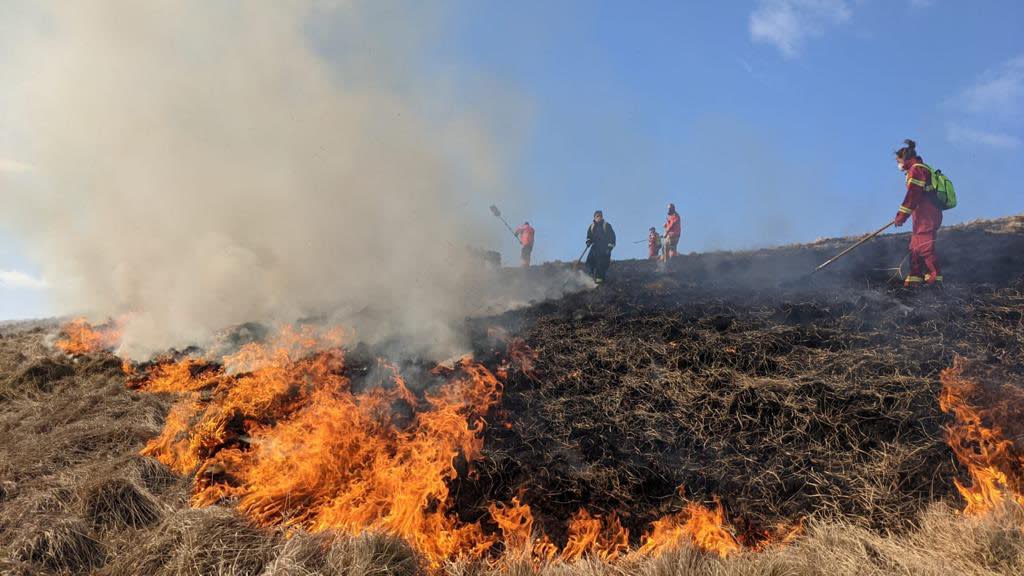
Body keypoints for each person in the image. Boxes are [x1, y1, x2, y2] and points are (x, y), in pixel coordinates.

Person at [894, 139, 942, 287]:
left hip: (927, 215)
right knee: (915, 246)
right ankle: (915, 278)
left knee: (925, 246)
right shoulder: (917, 169)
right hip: (921, 215)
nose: (898, 164)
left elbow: (913, 196)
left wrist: (901, 216)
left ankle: (935, 279)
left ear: (905, 159)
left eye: (898, 161)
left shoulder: (916, 170)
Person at [585, 210, 616, 283]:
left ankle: (600, 283)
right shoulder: (592, 226)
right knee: (589, 262)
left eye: (600, 216)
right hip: (595, 248)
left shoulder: (606, 225)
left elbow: (612, 237)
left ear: (602, 217)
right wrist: (588, 242)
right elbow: (589, 236)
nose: (599, 217)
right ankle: (590, 279)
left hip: (604, 249)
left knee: (601, 264)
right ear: (594, 217)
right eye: (597, 216)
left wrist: (609, 248)